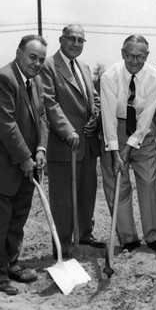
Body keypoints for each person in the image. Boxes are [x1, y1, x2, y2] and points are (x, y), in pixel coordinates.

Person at [0, 35, 49, 295]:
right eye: (32, 57)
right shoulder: (3, 79)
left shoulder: (35, 82)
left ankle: (10, 264)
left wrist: (39, 148)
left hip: (23, 166)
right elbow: (7, 126)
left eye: (41, 60)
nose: (37, 63)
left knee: (16, 221)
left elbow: (42, 117)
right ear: (18, 53)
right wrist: (25, 158)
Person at [40, 24, 104, 258]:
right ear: (61, 40)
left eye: (81, 40)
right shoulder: (48, 66)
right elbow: (49, 102)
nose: (76, 44)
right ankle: (63, 243)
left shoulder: (84, 67)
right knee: (63, 198)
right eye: (72, 39)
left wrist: (96, 120)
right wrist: (68, 131)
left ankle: (85, 236)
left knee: (87, 192)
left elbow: (94, 99)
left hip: (87, 143)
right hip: (64, 144)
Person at [100, 35, 156, 253]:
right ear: (122, 53)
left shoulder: (155, 77)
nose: (134, 60)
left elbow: (147, 118)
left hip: (143, 131)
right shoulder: (109, 76)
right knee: (118, 184)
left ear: (147, 56)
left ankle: (154, 236)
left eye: (139, 56)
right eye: (129, 55)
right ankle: (128, 238)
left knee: (148, 182)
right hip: (114, 130)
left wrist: (130, 146)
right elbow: (107, 116)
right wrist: (116, 152)